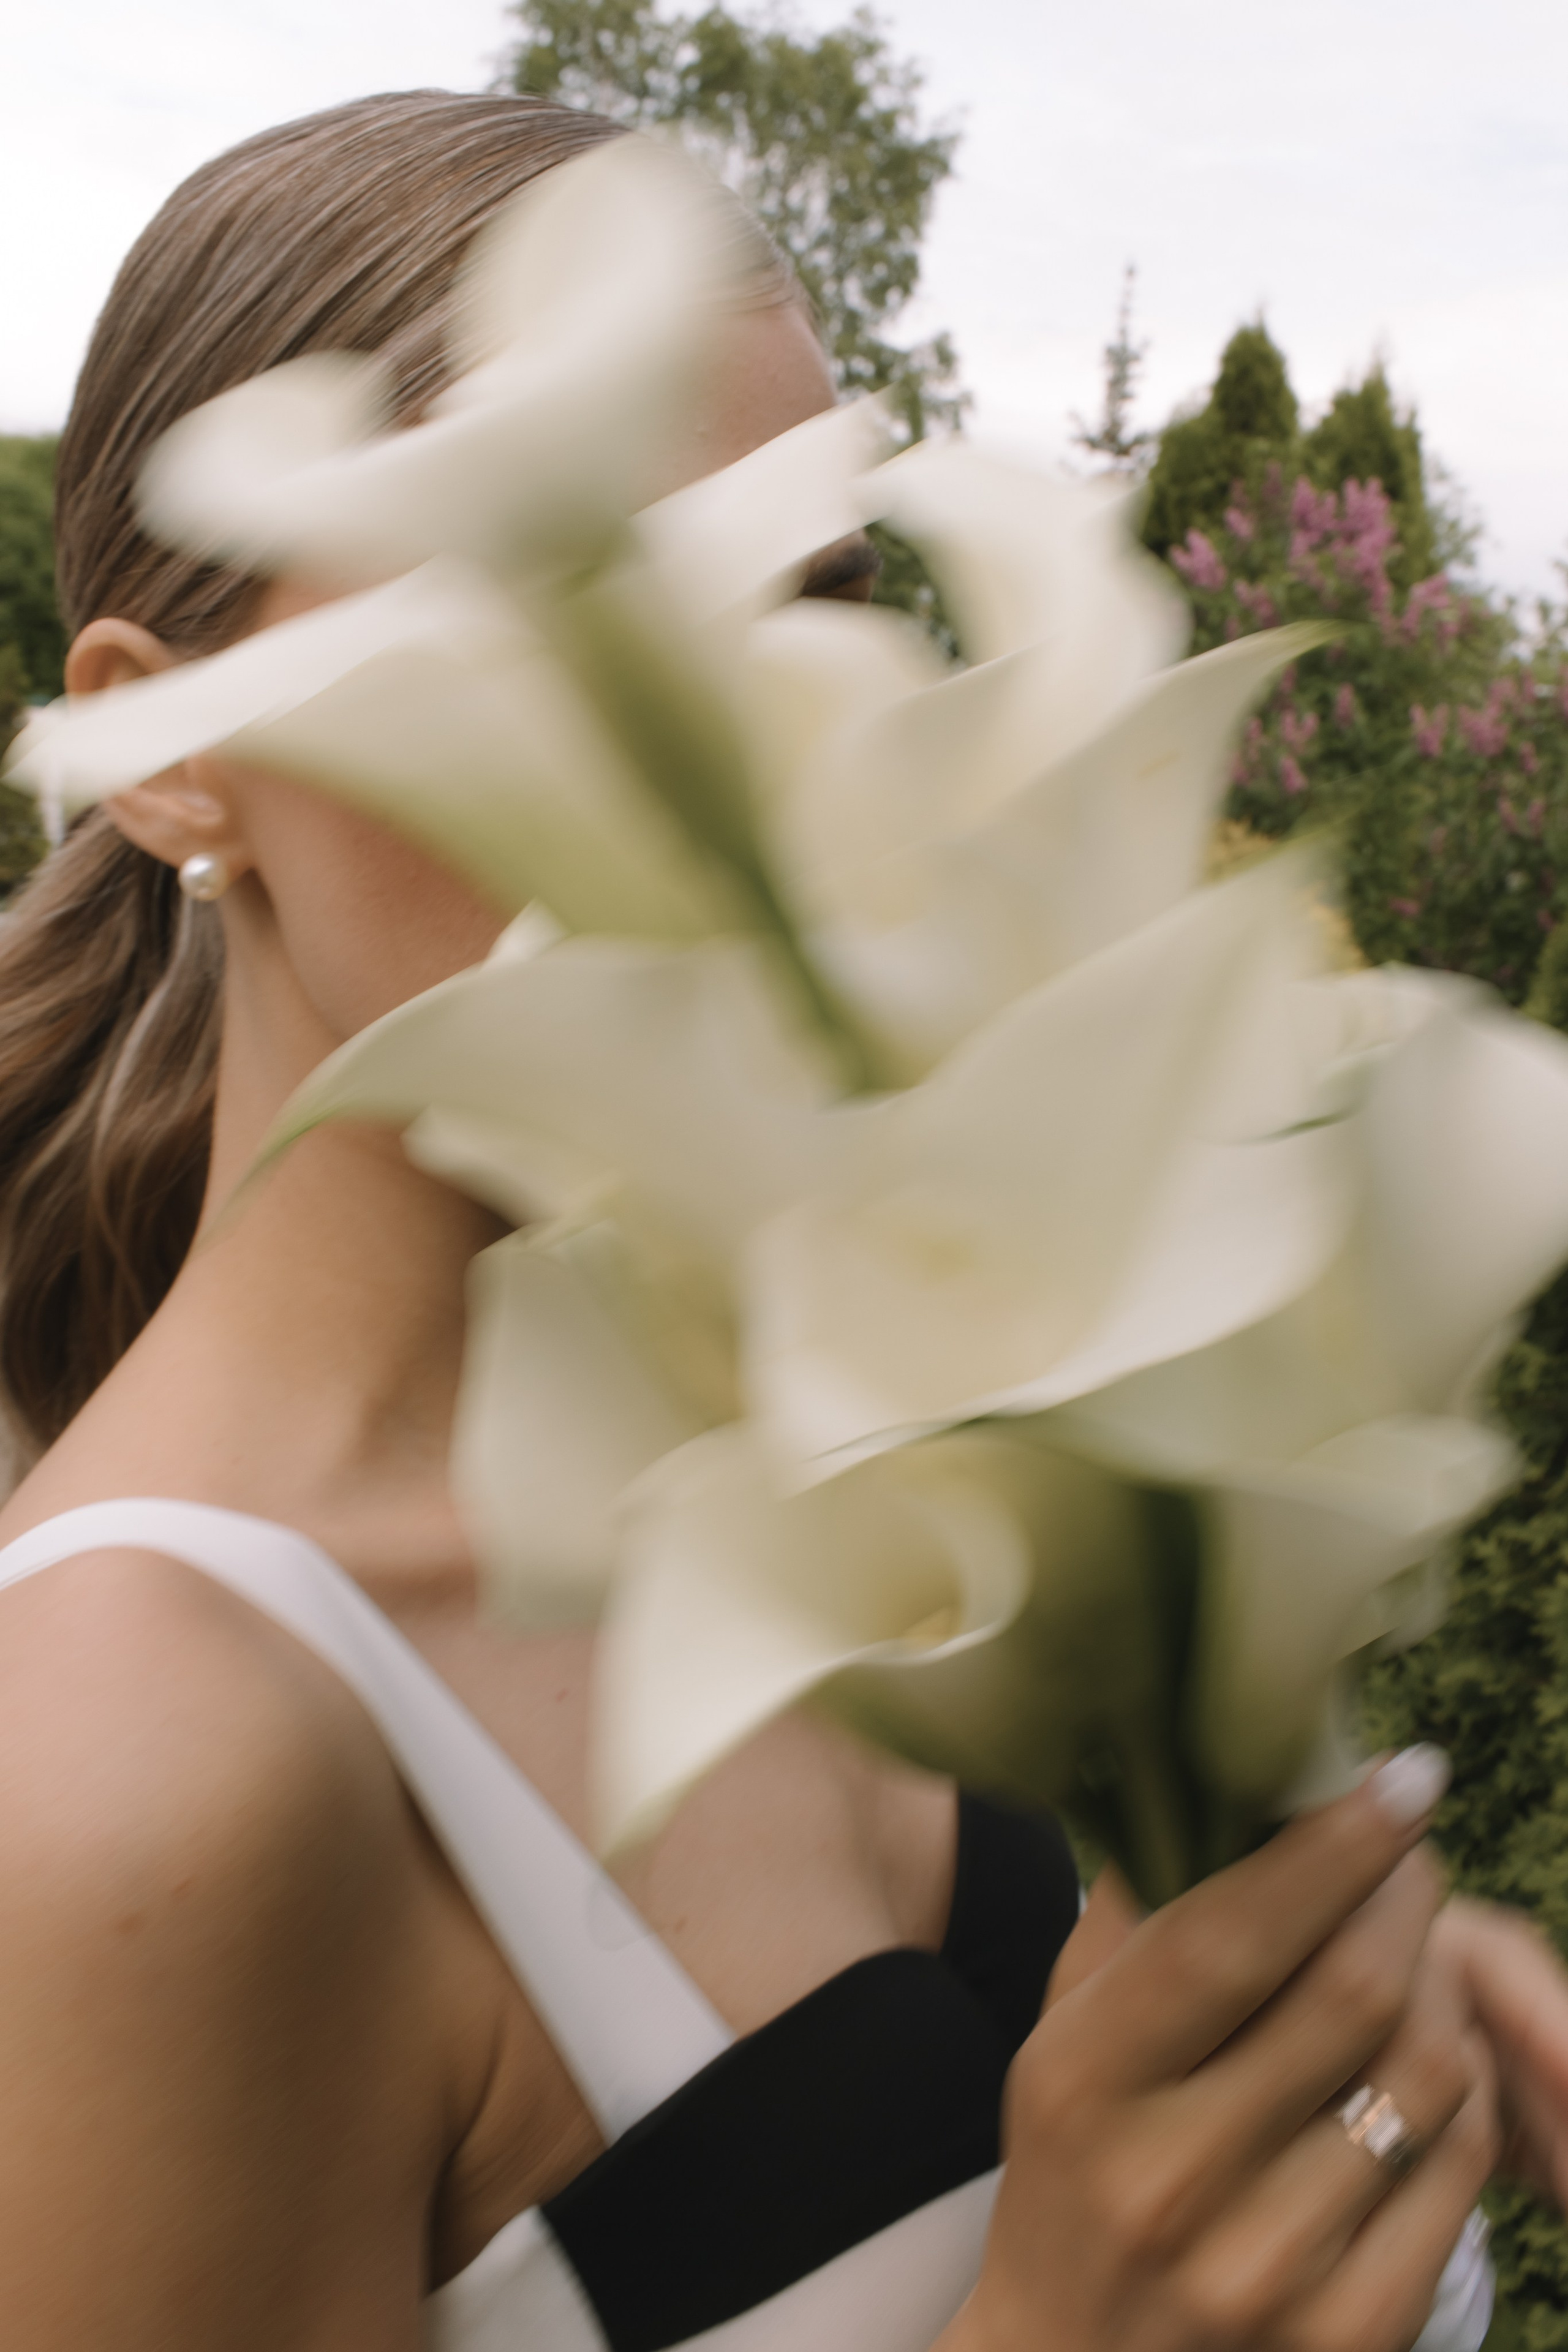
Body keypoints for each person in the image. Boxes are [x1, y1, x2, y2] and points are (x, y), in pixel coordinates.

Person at [0, 87, 1562, 2352]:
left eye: (820, 598)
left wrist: (1352, 2008)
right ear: (171, 752)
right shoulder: (124, 1765)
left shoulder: (854, 1422)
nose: (764, 754)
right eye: (588, 615)